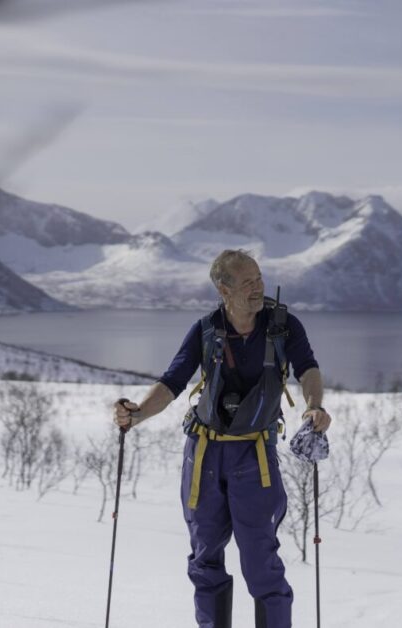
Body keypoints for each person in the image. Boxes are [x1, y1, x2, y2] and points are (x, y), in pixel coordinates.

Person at [112, 249, 331, 628]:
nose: (258, 288)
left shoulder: (283, 326)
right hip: (204, 457)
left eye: (259, 279)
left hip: (255, 456)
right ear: (223, 289)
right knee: (204, 559)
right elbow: (172, 381)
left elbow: (307, 367)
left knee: (261, 561)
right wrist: (138, 414)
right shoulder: (206, 330)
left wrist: (314, 406)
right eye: (247, 282)